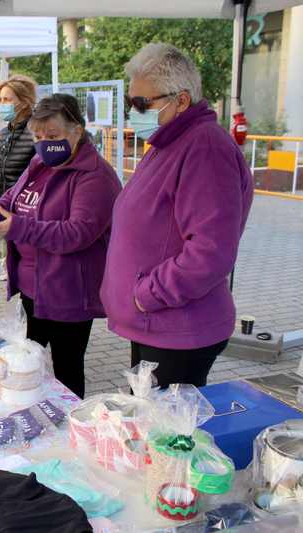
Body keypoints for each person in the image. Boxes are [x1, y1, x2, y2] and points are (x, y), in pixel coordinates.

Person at [101, 44, 254, 389]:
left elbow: (209, 252)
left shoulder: (205, 148)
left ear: (181, 100)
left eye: (142, 103)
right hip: (155, 323)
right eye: (130, 102)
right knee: (145, 424)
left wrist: (146, 294)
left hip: (177, 328)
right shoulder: (170, 142)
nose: (134, 111)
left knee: (162, 434)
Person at [0, 94, 122, 399]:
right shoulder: (40, 162)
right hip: (34, 289)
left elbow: (77, 233)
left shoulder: (96, 177)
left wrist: (16, 227)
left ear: (77, 131)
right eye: (39, 136)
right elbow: (12, 201)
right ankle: (30, 410)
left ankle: (71, 425)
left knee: (67, 369)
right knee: (25, 362)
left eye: (54, 136)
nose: (46, 143)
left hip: (68, 292)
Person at [0, 75, 37, 199]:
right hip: (4, 204)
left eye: (7, 99)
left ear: (24, 103)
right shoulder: (2, 135)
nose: (2, 104)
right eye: (0, 99)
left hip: (26, 206)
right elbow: (2, 180)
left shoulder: (37, 134)